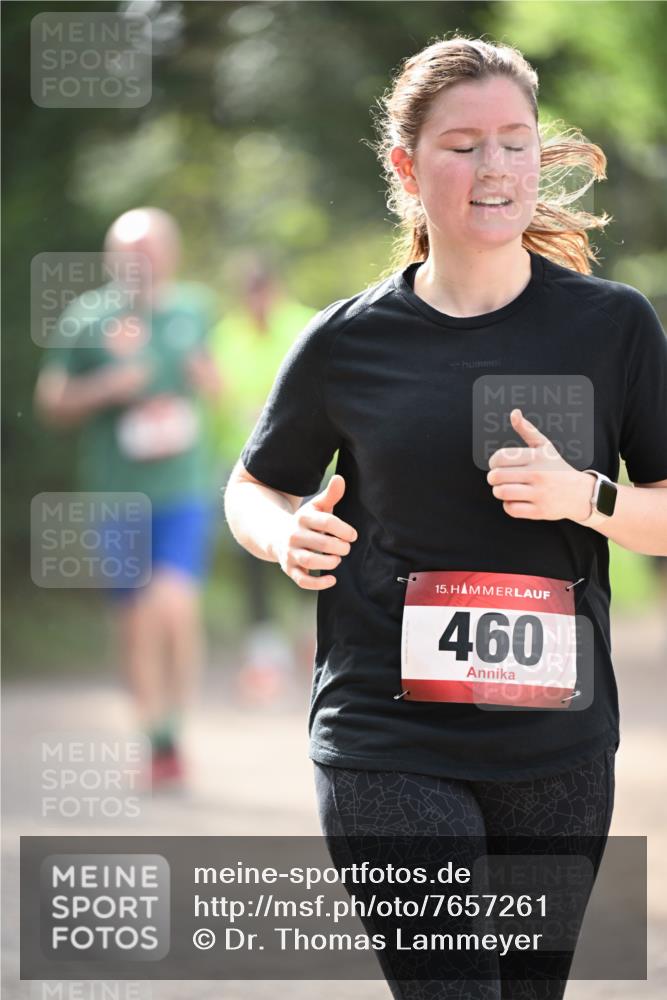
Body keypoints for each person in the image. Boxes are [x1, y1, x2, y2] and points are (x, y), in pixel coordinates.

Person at [224, 36, 667, 999]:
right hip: (387, 729)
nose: (493, 167)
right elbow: (253, 485)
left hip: (557, 742)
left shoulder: (612, 325)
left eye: (514, 141)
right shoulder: (349, 341)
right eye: (462, 144)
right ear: (406, 167)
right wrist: (282, 533)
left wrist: (584, 498)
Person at [34, 207, 222, 788]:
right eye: (128, 251)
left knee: (174, 600)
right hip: (117, 495)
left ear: (171, 254)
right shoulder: (88, 317)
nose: (140, 261)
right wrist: (108, 387)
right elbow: (52, 402)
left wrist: (200, 379)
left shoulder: (194, 310)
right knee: (135, 618)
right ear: (113, 258)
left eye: (150, 250)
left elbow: (220, 387)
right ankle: (156, 736)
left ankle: (180, 723)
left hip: (182, 488)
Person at [213, 257, 317, 702]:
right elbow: (219, 399)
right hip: (245, 466)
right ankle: (265, 651)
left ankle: (309, 634)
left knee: (311, 554)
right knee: (254, 563)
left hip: (306, 464)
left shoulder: (303, 326)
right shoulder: (226, 337)